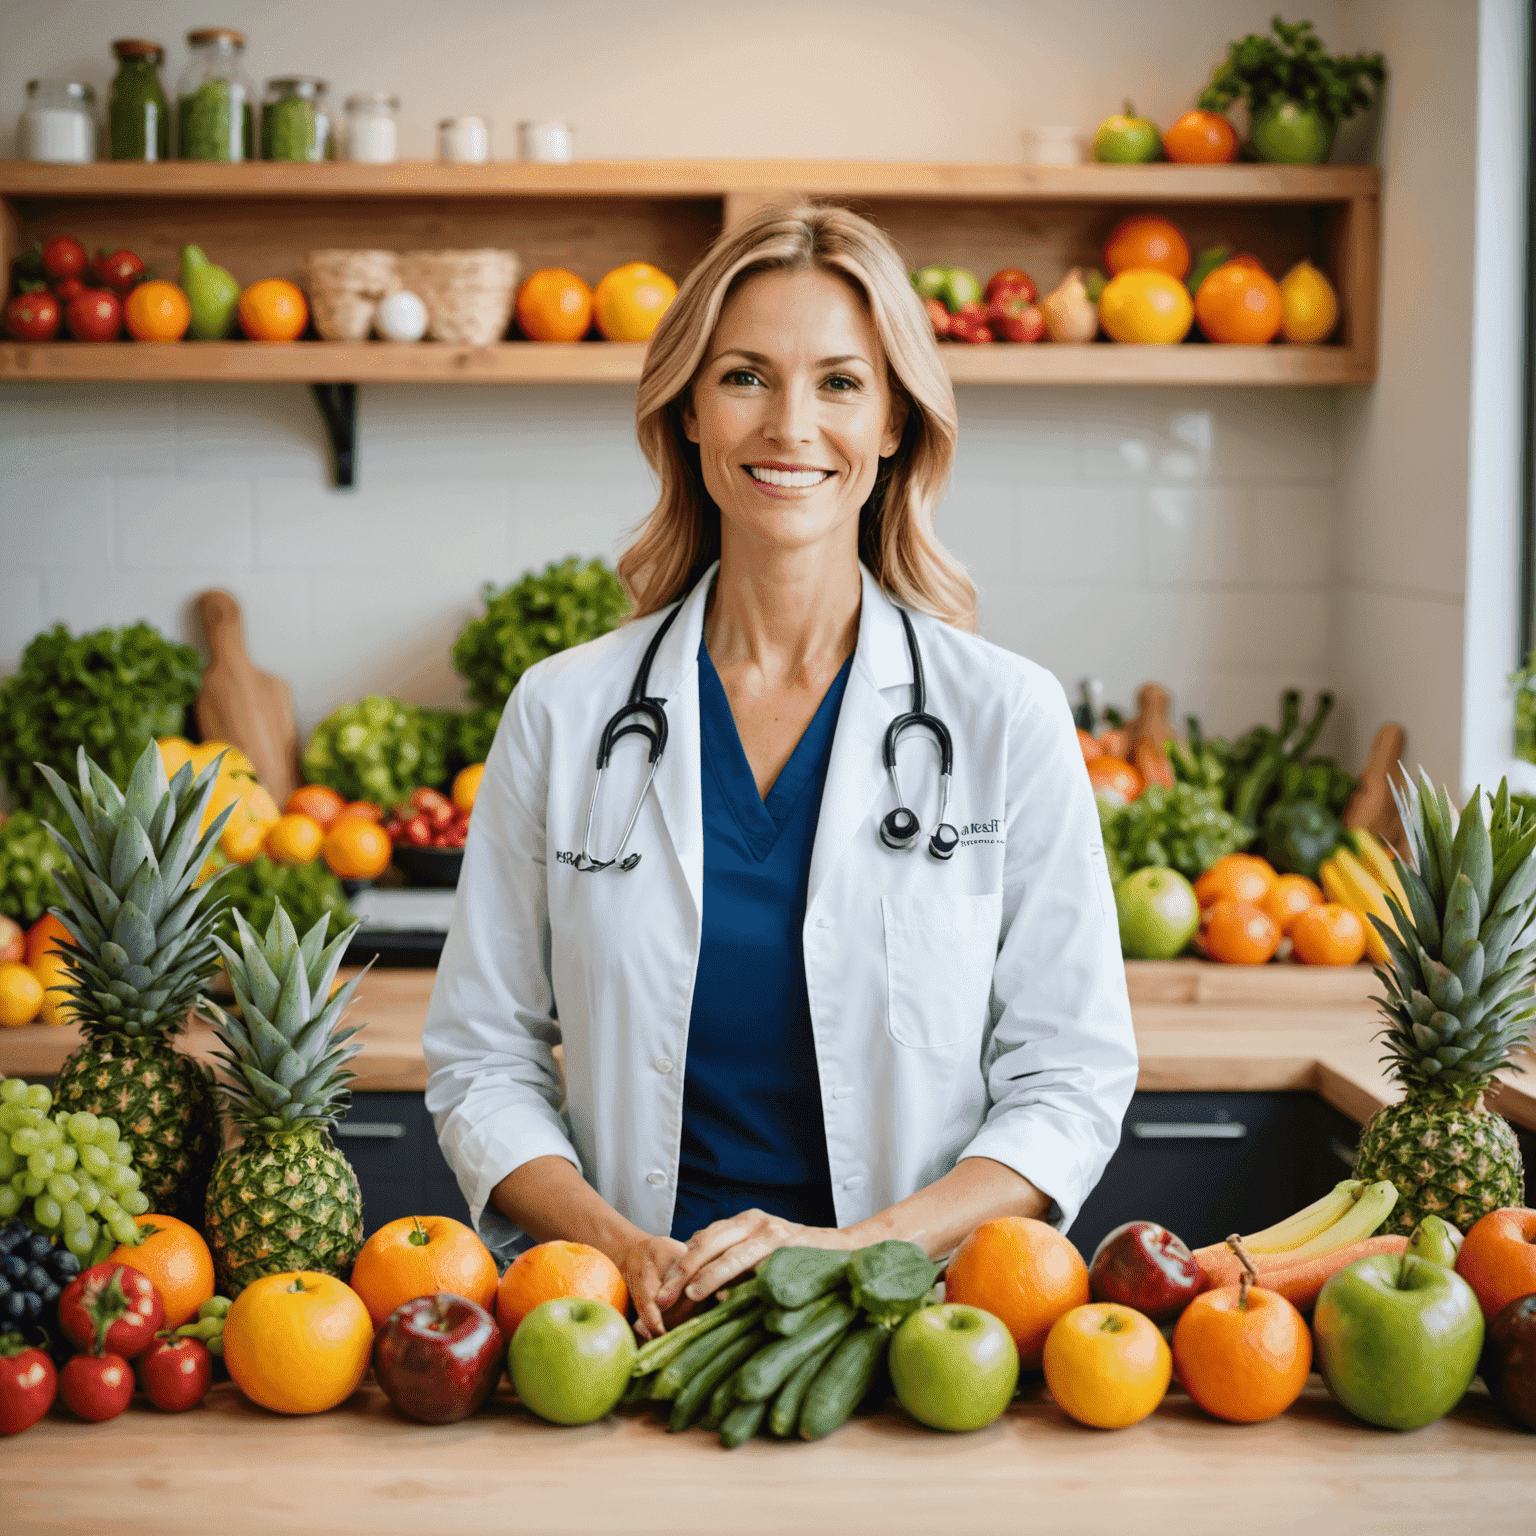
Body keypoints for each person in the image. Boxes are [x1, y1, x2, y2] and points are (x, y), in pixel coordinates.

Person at [423, 202, 1137, 1337]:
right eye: (747, 376)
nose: (790, 424)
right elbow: (482, 1059)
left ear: (896, 419)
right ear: (691, 412)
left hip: (913, 1333)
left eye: (841, 383)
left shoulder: (1007, 717)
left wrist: (849, 1254)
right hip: (623, 1330)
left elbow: (1070, 1082)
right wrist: (618, 1250)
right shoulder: (564, 713)